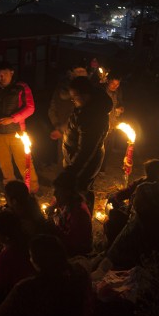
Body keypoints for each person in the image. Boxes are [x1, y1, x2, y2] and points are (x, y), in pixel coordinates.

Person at [0, 234, 91, 316]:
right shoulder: (79, 272)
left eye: (31, 257)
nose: (30, 260)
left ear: (38, 263)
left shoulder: (26, 288)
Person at [0, 61, 39, 194]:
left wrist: (12, 118)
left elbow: (30, 107)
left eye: (4, 74)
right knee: (4, 162)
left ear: (12, 73)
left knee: (23, 160)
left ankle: (32, 188)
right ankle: (10, 187)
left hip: (17, 131)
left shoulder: (21, 87)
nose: (2, 77)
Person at [62, 76, 112, 213]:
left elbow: (86, 150)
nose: (73, 101)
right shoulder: (85, 108)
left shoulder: (93, 117)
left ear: (85, 96)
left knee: (81, 191)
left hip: (85, 163)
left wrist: (72, 171)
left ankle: (82, 219)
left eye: (74, 98)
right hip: (75, 159)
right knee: (80, 189)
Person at [105, 159, 159, 246]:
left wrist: (115, 198)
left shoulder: (141, 184)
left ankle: (112, 245)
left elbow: (122, 195)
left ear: (147, 172)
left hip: (137, 219)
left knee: (111, 216)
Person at [48, 64, 88, 165]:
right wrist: (58, 126)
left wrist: (59, 127)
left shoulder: (87, 92)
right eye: (79, 72)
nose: (82, 74)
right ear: (71, 74)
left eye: (83, 72)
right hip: (70, 131)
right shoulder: (82, 93)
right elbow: (52, 109)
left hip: (70, 130)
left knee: (70, 159)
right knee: (67, 159)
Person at [47, 171, 93, 257]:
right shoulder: (66, 199)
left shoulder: (79, 213)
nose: (54, 194)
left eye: (57, 190)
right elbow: (55, 202)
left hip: (76, 252)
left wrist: (53, 228)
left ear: (68, 192)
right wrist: (52, 207)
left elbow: (71, 242)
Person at [101, 72, 124, 173]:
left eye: (118, 84)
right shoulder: (101, 92)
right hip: (102, 124)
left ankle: (102, 168)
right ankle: (95, 168)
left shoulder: (118, 93)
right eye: (113, 84)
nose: (116, 86)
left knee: (108, 148)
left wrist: (121, 109)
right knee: (99, 148)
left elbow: (119, 104)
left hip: (113, 124)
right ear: (108, 81)